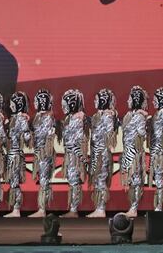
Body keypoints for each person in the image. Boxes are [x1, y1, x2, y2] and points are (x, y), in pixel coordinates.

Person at [88, 88, 119, 218]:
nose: (95, 102)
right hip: (96, 152)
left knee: (101, 179)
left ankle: (101, 209)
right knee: (97, 180)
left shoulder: (107, 115)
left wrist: (112, 115)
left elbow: (110, 135)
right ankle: (98, 207)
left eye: (96, 99)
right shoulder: (97, 115)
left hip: (102, 153)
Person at [30, 88, 59, 218]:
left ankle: (42, 209)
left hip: (45, 153)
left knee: (44, 181)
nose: (35, 103)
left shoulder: (48, 118)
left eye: (37, 101)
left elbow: (43, 135)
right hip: (39, 152)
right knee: (42, 180)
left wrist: (29, 132)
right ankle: (41, 208)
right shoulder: (38, 116)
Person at [119, 86, 149, 217]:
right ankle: (132, 207)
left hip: (135, 152)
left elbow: (142, 133)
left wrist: (145, 120)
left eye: (129, 98)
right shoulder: (129, 115)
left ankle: (134, 208)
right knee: (131, 180)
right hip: (128, 151)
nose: (127, 101)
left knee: (136, 180)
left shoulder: (139, 116)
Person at [61, 89, 89, 218]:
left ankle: (74, 209)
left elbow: (77, 140)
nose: (63, 107)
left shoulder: (77, 119)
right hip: (70, 154)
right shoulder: (70, 118)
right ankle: (72, 208)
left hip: (75, 155)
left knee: (74, 182)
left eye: (65, 104)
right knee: (72, 182)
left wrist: (80, 158)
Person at [5, 91, 32, 218]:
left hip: (16, 155)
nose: (10, 107)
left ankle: (16, 209)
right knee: (12, 182)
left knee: (15, 182)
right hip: (11, 154)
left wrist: (26, 129)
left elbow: (27, 137)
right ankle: (14, 208)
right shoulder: (14, 118)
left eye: (12, 104)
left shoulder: (20, 119)